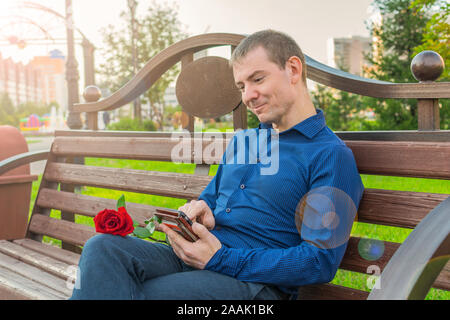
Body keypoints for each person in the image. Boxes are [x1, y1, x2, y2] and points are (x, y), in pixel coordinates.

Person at [70, 29, 364, 300]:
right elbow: (210, 202)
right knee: (103, 248)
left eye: (258, 79)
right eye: (242, 85)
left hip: (257, 287)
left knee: (142, 294)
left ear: (293, 69)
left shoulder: (329, 155)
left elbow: (320, 261)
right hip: (201, 258)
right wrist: (200, 210)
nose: (248, 95)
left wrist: (220, 258)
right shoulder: (244, 141)